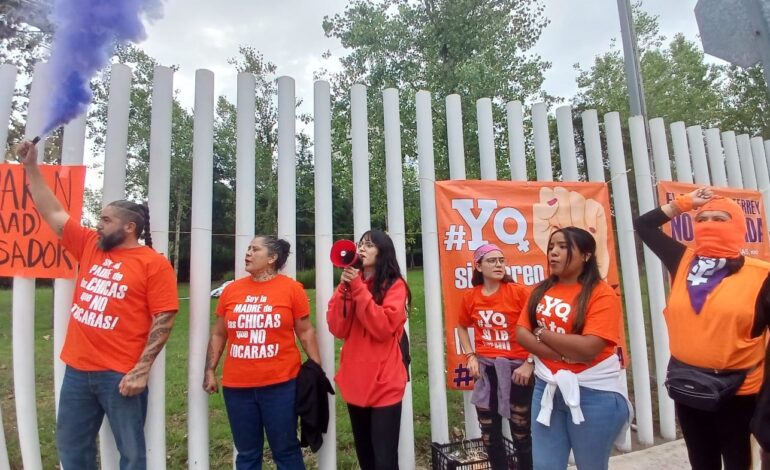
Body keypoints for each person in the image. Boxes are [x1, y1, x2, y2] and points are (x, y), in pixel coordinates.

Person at [16, 140, 179, 470]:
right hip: (77, 370)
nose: (98, 224)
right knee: (72, 449)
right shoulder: (90, 245)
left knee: (131, 455)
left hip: (120, 373)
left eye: (105, 220)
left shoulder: (153, 263)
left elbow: (165, 315)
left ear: (128, 227)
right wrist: (31, 167)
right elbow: (51, 210)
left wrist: (141, 369)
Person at [634, 188, 770, 470]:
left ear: (737, 226)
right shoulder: (683, 261)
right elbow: (643, 225)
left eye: (720, 218)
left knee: (738, 462)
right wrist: (685, 203)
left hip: (739, 392)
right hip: (690, 386)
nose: (709, 224)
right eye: (703, 218)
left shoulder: (762, 274)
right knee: (701, 462)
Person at [516, 227, 631, 470]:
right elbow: (521, 334)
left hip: (593, 394)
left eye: (563, 247)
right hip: (546, 388)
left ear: (586, 255)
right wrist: (562, 355)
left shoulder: (602, 295)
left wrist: (541, 332)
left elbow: (589, 347)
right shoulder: (541, 290)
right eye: (551, 247)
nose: (553, 253)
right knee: (545, 466)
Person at [203, 236, 321, 470]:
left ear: (272, 258)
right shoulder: (232, 290)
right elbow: (219, 333)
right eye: (248, 248)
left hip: (281, 386)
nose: (248, 253)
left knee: (286, 450)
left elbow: (305, 331)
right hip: (237, 388)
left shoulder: (291, 290)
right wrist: (210, 370)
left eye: (255, 249)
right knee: (246, 453)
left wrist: (317, 370)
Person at [327, 229, 409, 470]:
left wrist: (357, 287)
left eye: (369, 245)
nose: (361, 249)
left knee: (384, 460)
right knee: (366, 457)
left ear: (382, 252)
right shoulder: (351, 284)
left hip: (385, 383)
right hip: (356, 382)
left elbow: (382, 327)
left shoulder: (395, 285)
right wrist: (345, 290)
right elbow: (337, 327)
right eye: (360, 244)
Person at [457, 243, 534, 470]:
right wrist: (471, 356)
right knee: (489, 434)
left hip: (517, 371)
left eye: (501, 260)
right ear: (478, 266)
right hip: (486, 372)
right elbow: (462, 326)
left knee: (521, 433)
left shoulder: (519, 292)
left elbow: (538, 327)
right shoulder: (470, 296)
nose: (499, 264)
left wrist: (529, 362)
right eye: (492, 261)